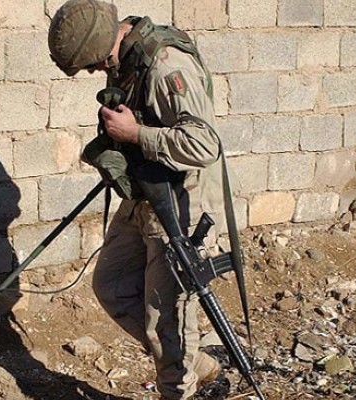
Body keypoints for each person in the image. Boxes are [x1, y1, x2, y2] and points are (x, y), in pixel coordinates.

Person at [48, 1, 226, 399]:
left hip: (182, 204)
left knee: (166, 323)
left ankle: (178, 389)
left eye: (92, 65)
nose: (95, 72)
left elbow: (204, 144)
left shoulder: (165, 63)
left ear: (102, 44)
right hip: (145, 192)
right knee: (111, 285)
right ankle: (195, 365)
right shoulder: (124, 58)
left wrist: (135, 135)